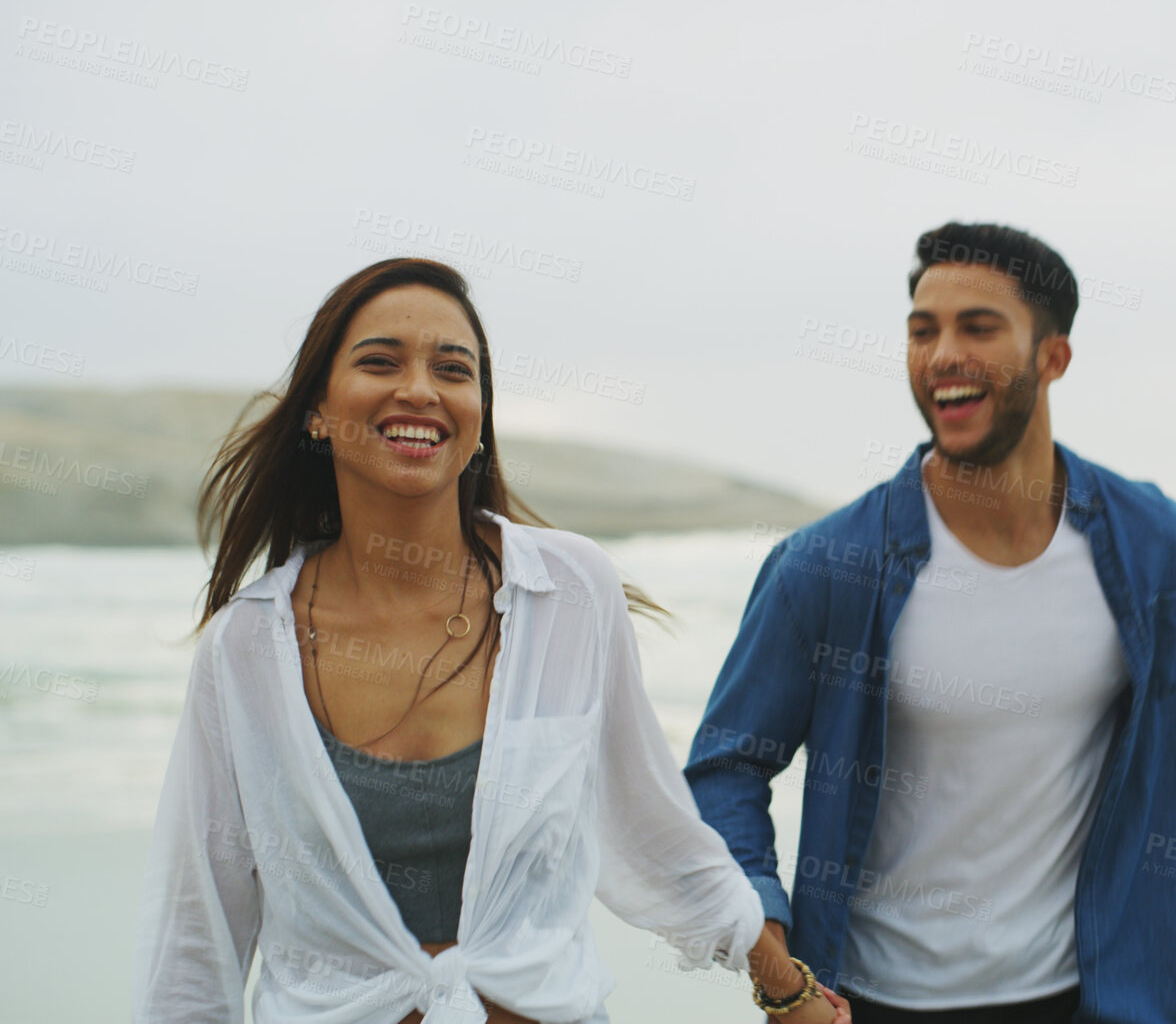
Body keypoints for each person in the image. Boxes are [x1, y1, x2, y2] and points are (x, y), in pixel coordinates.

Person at [132, 258, 849, 1023]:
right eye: (380, 362)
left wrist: (785, 988)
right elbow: (194, 932)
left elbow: (652, 827)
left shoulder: (567, 593)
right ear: (317, 411)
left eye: (452, 369)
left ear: (478, 418)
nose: (420, 389)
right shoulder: (245, 649)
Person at [685, 223, 1176, 1024]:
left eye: (977, 327)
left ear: (1052, 357)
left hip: (1097, 993)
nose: (941, 355)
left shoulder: (1151, 539)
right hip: (873, 1001)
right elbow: (725, 769)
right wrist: (780, 978)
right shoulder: (828, 566)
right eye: (922, 331)